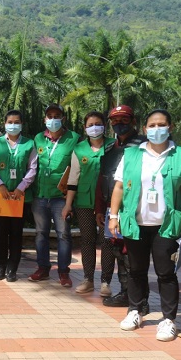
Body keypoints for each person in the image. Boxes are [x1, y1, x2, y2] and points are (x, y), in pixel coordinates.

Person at [109, 109, 181, 342]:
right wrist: (113, 215)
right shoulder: (131, 154)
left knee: (166, 273)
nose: (157, 129)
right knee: (135, 270)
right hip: (136, 223)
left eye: (162, 125)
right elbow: (119, 187)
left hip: (166, 225)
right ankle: (134, 311)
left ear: (171, 127)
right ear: (145, 129)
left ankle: (168, 320)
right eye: (153, 125)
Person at [94, 105, 148, 309]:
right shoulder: (109, 149)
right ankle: (127, 293)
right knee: (119, 252)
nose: (119, 124)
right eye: (115, 121)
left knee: (134, 255)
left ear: (133, 121)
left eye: (124, 119)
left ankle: (140, 300)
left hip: (135, 209)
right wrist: (100, 208)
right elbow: (102, 179)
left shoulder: (144, 146)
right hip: (112, 209)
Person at [62, 111, 115, 294]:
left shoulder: (113, 146)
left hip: (109, 202)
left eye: (98, 123)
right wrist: (68, 205)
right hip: (84, 202)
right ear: (85, 128)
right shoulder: (79, 149)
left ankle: (106, 282)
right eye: (90, 124)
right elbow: (73, 179)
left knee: (108, 240)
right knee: (87, 240)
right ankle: (88, 279)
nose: (94, 127)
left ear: (104, 126)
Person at [29, 104, 80, 287]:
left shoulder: (73, 138)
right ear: (45, 119)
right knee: (41, 233)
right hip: (40, 195)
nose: (53, 119)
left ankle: (64, 272)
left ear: (63, 118)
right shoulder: (38, 139)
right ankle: (43, 268)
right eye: (49, 116)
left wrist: (70, 200)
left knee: (63, 234)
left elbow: (77, 168)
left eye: (56, 115)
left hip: (61, 197)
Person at [0, 110, 38, 282]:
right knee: (0, 233)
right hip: (1, 196)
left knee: (16, 233)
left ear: (22, 124)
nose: (13, 125)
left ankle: (12, 268)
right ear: (4, 123)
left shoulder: (29, 144)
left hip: (19, 197)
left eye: (17, 121)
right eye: (10, 121)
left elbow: (32, 168)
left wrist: (21, 187)